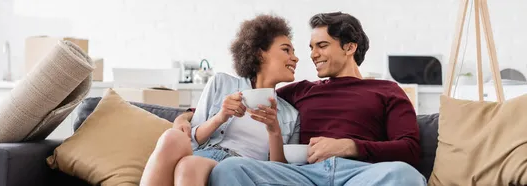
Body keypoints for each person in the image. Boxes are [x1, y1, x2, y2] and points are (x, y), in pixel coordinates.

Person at [179, 12, 427, 186]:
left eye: (321, 45)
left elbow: (410, 149)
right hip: (300, 175)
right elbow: (245, 96)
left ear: (350, 48)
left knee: (407, 176)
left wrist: (349, 146)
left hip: (360, 175)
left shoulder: (387, 90)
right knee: (231, 169)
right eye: (310, 48)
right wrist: (186, 115)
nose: (312, 55)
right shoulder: (300, 91)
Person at [139, 14, 302, 186]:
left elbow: (281, 173)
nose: (295, 58)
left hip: (242, 169)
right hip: (207, 153)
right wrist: (220, 116)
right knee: (172, 137)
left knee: (189, 165)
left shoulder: (291, 115)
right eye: (286, 50)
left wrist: (274, 131)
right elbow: (193, 140)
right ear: (260, 54)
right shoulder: (221, 83)